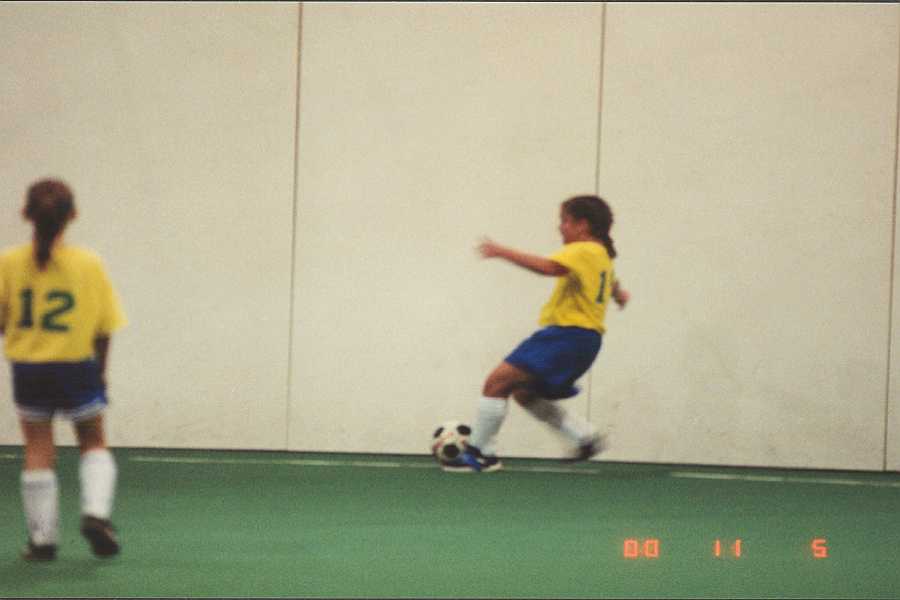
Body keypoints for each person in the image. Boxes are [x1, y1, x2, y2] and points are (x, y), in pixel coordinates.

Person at [445, 195, 629, 473]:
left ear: (583, 225)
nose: (560, 227)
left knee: (496, 383)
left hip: (566, 336)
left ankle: (480, 454)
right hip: (586, 342)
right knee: (523, 392)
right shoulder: (601, 255)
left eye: (565, 221)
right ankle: (584, 436)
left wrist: (501, 252)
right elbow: (610, 282)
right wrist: (619, 294)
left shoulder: (582, 250)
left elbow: (549, 267)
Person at [0, 179, 127, 560]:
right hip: (76, 365)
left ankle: (42, 540)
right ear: (72, 215)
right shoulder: (88, 263)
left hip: (29, 369)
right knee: (92, 440)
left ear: (26, 214)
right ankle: (96, 514)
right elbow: (105, 328)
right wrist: (100, 372)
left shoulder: (8, 262)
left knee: (38, 448)